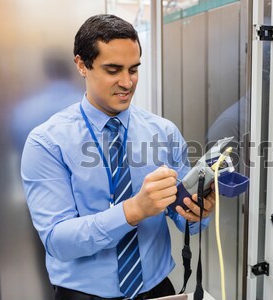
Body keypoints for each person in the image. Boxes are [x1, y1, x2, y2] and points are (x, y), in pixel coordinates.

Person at [21, 14, 215, 300]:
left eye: (134, 69)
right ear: (81, 65)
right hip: (84, 294)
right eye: (113, 70)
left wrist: (198, 212)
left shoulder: (163, 132)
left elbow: (183, 218)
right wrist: (133, 210)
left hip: (157, 290)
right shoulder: (47, 142)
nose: (127, 82)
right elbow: (57, 240)